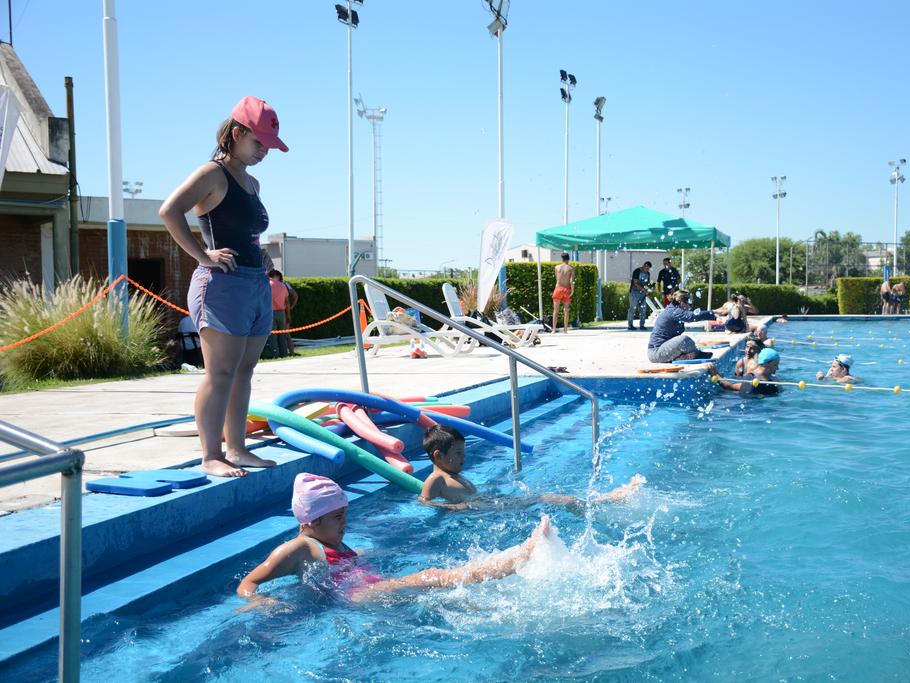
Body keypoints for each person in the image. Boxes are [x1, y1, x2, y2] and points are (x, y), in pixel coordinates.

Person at [159, 96, 287, 477]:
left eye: (268, 145)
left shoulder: (252, 181)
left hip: (253, 284)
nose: (264, 150)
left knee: (244, 371)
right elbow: (169, 211)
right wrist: (203, 255)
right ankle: (210, 454)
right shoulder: (212, 174)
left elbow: (245, 230)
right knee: (220, 373)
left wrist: (260, 256)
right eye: (258, 142)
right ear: (237, 133)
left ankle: (237, 448)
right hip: (221, 286)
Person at [237, 473, 553, 604]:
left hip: (373, 589)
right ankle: (518, 558)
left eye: (345, 515)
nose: (344, 524)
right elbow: (248, 583)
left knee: (451, 598)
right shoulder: (299, 546)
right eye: (337, 518)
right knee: (434, 577)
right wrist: (260, 602)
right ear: (310, 520)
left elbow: (336, 567)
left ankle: (510, 568)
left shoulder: (331, 543)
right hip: (358, 597)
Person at [419, 425, 644, 511]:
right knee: (542, 498)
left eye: (464, 453)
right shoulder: (435, 480)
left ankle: (597, 502)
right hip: (487, 509)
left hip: (489, 505)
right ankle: (599, 502)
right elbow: (426, 504)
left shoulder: (451, 474)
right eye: (458, 454)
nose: (463, 459)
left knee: (542, 497)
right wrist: (459, 509)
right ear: (438, 455)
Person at [647, 290, 717, 364]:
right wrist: (713, 313)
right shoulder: (673, 311)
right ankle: (696, 354)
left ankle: (690, 354)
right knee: (684, 340)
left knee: (687, 343)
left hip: (662, 350)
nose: (691, 306)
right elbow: (691, 316)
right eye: (689, 303)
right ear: (681, 302)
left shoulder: (674, 310)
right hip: (656, 353)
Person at [712, 347, 782, 396]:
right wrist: (714, 373)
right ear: (766, 364)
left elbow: (730, 386)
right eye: (775, 365)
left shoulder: (775, 380)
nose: (778, 368)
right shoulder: (750, 377)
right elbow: (729, 386)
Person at [267, 270, 291, 358]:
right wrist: (288, 315)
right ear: (276, 276)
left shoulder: (266, 285)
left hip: (270, 313)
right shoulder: (283, 286)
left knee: (273, 336)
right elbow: (287, 302)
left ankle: (275, 354)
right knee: (282, 335)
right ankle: (284, 353)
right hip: (282, 313)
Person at [551, 253, 574, 334]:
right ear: (568, 259)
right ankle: (565, 330)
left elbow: (557, 278)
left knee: (555, 310)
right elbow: (571, 281)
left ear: (562, 259)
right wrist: (572, 290)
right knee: (566, 310)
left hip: (558, 288)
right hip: (566, 289)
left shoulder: (557, 267)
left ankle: (553, 330)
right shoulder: (570, 268)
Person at [627, 261, 653, 330]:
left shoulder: (648, 273)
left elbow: (647, 284)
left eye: (648, 269)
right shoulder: (637, 271)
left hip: (642, 294)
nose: (647, 270)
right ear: (644, 266)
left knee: (643, 310)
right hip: (634, 293)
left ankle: (642, 325)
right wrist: (644, 290)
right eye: (646, 268)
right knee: (632, 309)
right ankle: (630, 325)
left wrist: (650, 288)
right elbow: (636, 283)